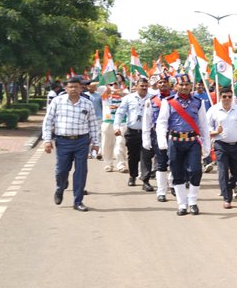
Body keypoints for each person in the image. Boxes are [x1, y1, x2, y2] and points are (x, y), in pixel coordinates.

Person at [156, 73, 212, 216]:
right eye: (181, 84)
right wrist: (162, 141)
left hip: (192, 141)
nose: (184, 87)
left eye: (187, 84)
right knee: (177, 173)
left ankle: (193, 201)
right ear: (176, 86)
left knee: (195, 171)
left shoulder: (198, 102)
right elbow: (162, 123)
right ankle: (182, 204)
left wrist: (207, 145)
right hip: (175, 142)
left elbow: (203, 124)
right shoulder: (168, 102)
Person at [41, 75, 99, 212]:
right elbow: (48, 121)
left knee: (81, 171)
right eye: (70, 87)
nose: (73, 89)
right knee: (61, 170)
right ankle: (60, 187)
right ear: (66, 88)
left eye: (76, 87)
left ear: (81, 88)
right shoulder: (57, 101)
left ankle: (78, 201)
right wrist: (47, 140)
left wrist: (96, 142)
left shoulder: (87, 103)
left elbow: (93, 124)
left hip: (82, 141)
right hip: (63, 141)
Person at [207, 88, 237, 209]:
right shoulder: (213, 110)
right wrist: (216, 131)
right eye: (224, 96)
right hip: (220, 145)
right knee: (222, 170)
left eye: (229, 96)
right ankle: (227, 198)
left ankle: (227, 186)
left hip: (236, 145)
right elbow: (206, 128)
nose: (227, 99)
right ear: (220, 97)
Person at [113, 76, 154, 190]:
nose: (144, 88)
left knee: (146, 156)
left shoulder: (152, 98)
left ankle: (145, 180)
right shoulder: (128, 98)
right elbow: (120, 113)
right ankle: (132, 175)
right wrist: (116, 127)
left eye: (146, 86)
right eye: (142, 86)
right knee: (133, 156)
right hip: (132, 131)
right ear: (136, 86)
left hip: (147, 132)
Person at [143, 76, 173, 202]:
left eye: (165, 82)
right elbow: (147, 119)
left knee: (174, 161)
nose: (162, 84)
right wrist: (146, 138)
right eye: (160, 82)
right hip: (158, 134)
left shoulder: (176, 99)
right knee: (161, 163)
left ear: (169, 84)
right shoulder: (151, 100)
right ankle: (161, 191)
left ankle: (172, 185)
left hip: (173, 134)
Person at [84, 81, 104, 159]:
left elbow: (102, 106)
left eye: (93, 87)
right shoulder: (84, 96)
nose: (91, 88)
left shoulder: (99, 95)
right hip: (87, 119)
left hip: (98, 118)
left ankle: (98, 152)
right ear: (87, 87)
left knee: (98, 135)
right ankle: (88, 152)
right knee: (88, 136)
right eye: (89, 87)